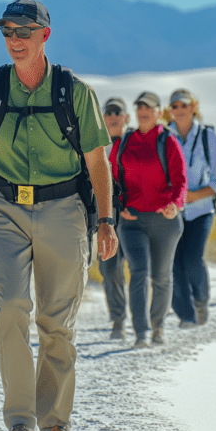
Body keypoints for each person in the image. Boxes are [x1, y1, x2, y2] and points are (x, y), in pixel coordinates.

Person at [0, 0, 117, 431]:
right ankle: (20, 425)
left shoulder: (75, 92)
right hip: (3, 211)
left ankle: (55, 427)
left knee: (56, 323)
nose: (15, 40)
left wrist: (106, 221)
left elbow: (97, 161)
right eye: (7, 31)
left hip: (64, 209)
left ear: (45, 34)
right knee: (9, 309)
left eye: (24, 31)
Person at [109, 91, 187, 348]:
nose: (143, 111)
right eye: (139, 106)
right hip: (132, 220)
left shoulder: (168, 141)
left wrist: (175, 204)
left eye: (149, 107)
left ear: (159, 113)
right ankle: (141, 331)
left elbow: (180, 180)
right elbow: (111, 178)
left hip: (164, 220)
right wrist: (119, 205)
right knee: (139, 272)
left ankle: (158, 326)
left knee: (161, 276)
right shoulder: (125, 142)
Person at [165, 88, 216, 327]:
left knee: (192, 259)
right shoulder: (164, 136)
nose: (179, 110)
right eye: (175, 106)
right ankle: (186, 315)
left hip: (200, 210)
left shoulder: (209, 137)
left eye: (184, 105)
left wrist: (194, 196)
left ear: (193, 107)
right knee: (173, 263)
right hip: (172, 212)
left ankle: (201, 300)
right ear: (169, 111)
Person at [100, 96, 131, 340]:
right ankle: (118, 320)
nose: (112, 116)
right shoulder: (94, 147)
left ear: (126, 117)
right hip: (106, 216)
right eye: (108, 112)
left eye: (117, 111)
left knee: (143, 268)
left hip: (134, 214)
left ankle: (149, 318)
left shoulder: (136, 142)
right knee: (109, 268)